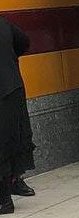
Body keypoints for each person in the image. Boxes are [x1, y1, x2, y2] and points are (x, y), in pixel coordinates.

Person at [0, 17, 36, 215]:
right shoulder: (4, 24)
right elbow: (24, 41)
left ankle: (4, 200)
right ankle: (14, 182)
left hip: (3, 93)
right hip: (12, 88)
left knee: (3, 146)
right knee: (13, 140)